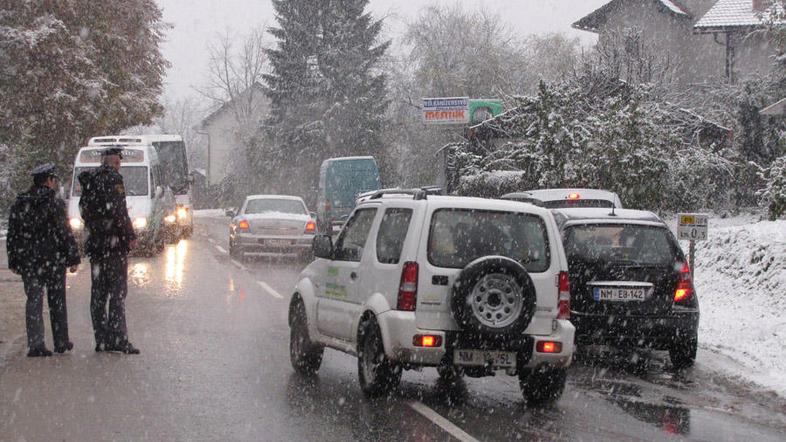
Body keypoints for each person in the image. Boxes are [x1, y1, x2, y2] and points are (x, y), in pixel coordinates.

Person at [6, 163, 80, 357]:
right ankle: (61, 341)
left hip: (29, 262)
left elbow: (13, 234)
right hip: (52, 260)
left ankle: (36, 344)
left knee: (34, 301)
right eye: (53, 180)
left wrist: (14, 260)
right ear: (49, 181)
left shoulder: (21, 203)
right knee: (57, 302)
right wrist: (72, 257)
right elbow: (64, 233)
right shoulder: (54, 204)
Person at [79, 147, 140, 354]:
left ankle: (101, 339)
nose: (119, 165)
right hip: (113, 246)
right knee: (117, 293)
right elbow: (119, 211)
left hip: (96, 246)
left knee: (98, 295)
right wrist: (129, 236)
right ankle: (119, 339)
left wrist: (96, 228)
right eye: (118, 162)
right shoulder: (114, 179)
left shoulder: (89, 179)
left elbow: (83, 211)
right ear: (114, 161)